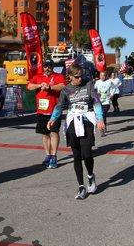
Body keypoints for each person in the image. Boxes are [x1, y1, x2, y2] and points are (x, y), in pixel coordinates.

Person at [47, 64, 105, 200]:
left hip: (86, 120)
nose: (80, 79)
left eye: (81, 76)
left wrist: (100, 119)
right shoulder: (66, 90)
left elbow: (96, 101)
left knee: (87, 154)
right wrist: (53, 118)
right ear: (70, 77)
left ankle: (90, 176)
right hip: (73, 121)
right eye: (77, 77)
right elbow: (59, 106)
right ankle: (81, 187)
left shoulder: (88, 84)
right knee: (77, 156)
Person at [27, 60, 66, 169]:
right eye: (45, 66)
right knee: (45, 134)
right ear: (43, 67)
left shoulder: (58, 76)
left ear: (52, 67)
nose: (47, 68)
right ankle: (48, 155)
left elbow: (63, 86)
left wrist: (50, 87)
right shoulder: (37, 76)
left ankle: (54, 156)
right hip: (42, 111)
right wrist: (39, 85)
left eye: (49, 66)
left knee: (54, 132)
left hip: (54, 111)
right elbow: (29, 86)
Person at [94, 71, 112, 136]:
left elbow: (114, 88)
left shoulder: (109, 82)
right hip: (98, 101)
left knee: (103, 114)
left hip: (106, 101)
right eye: (101, 75)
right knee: (100, 115)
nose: (102, 77)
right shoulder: (97, 82)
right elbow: (94, 89)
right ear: (99, 76)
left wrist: (112, 94)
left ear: (106, 76)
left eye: (104, 75)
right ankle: (102, 129)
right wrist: (96, 94)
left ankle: (103, 127)